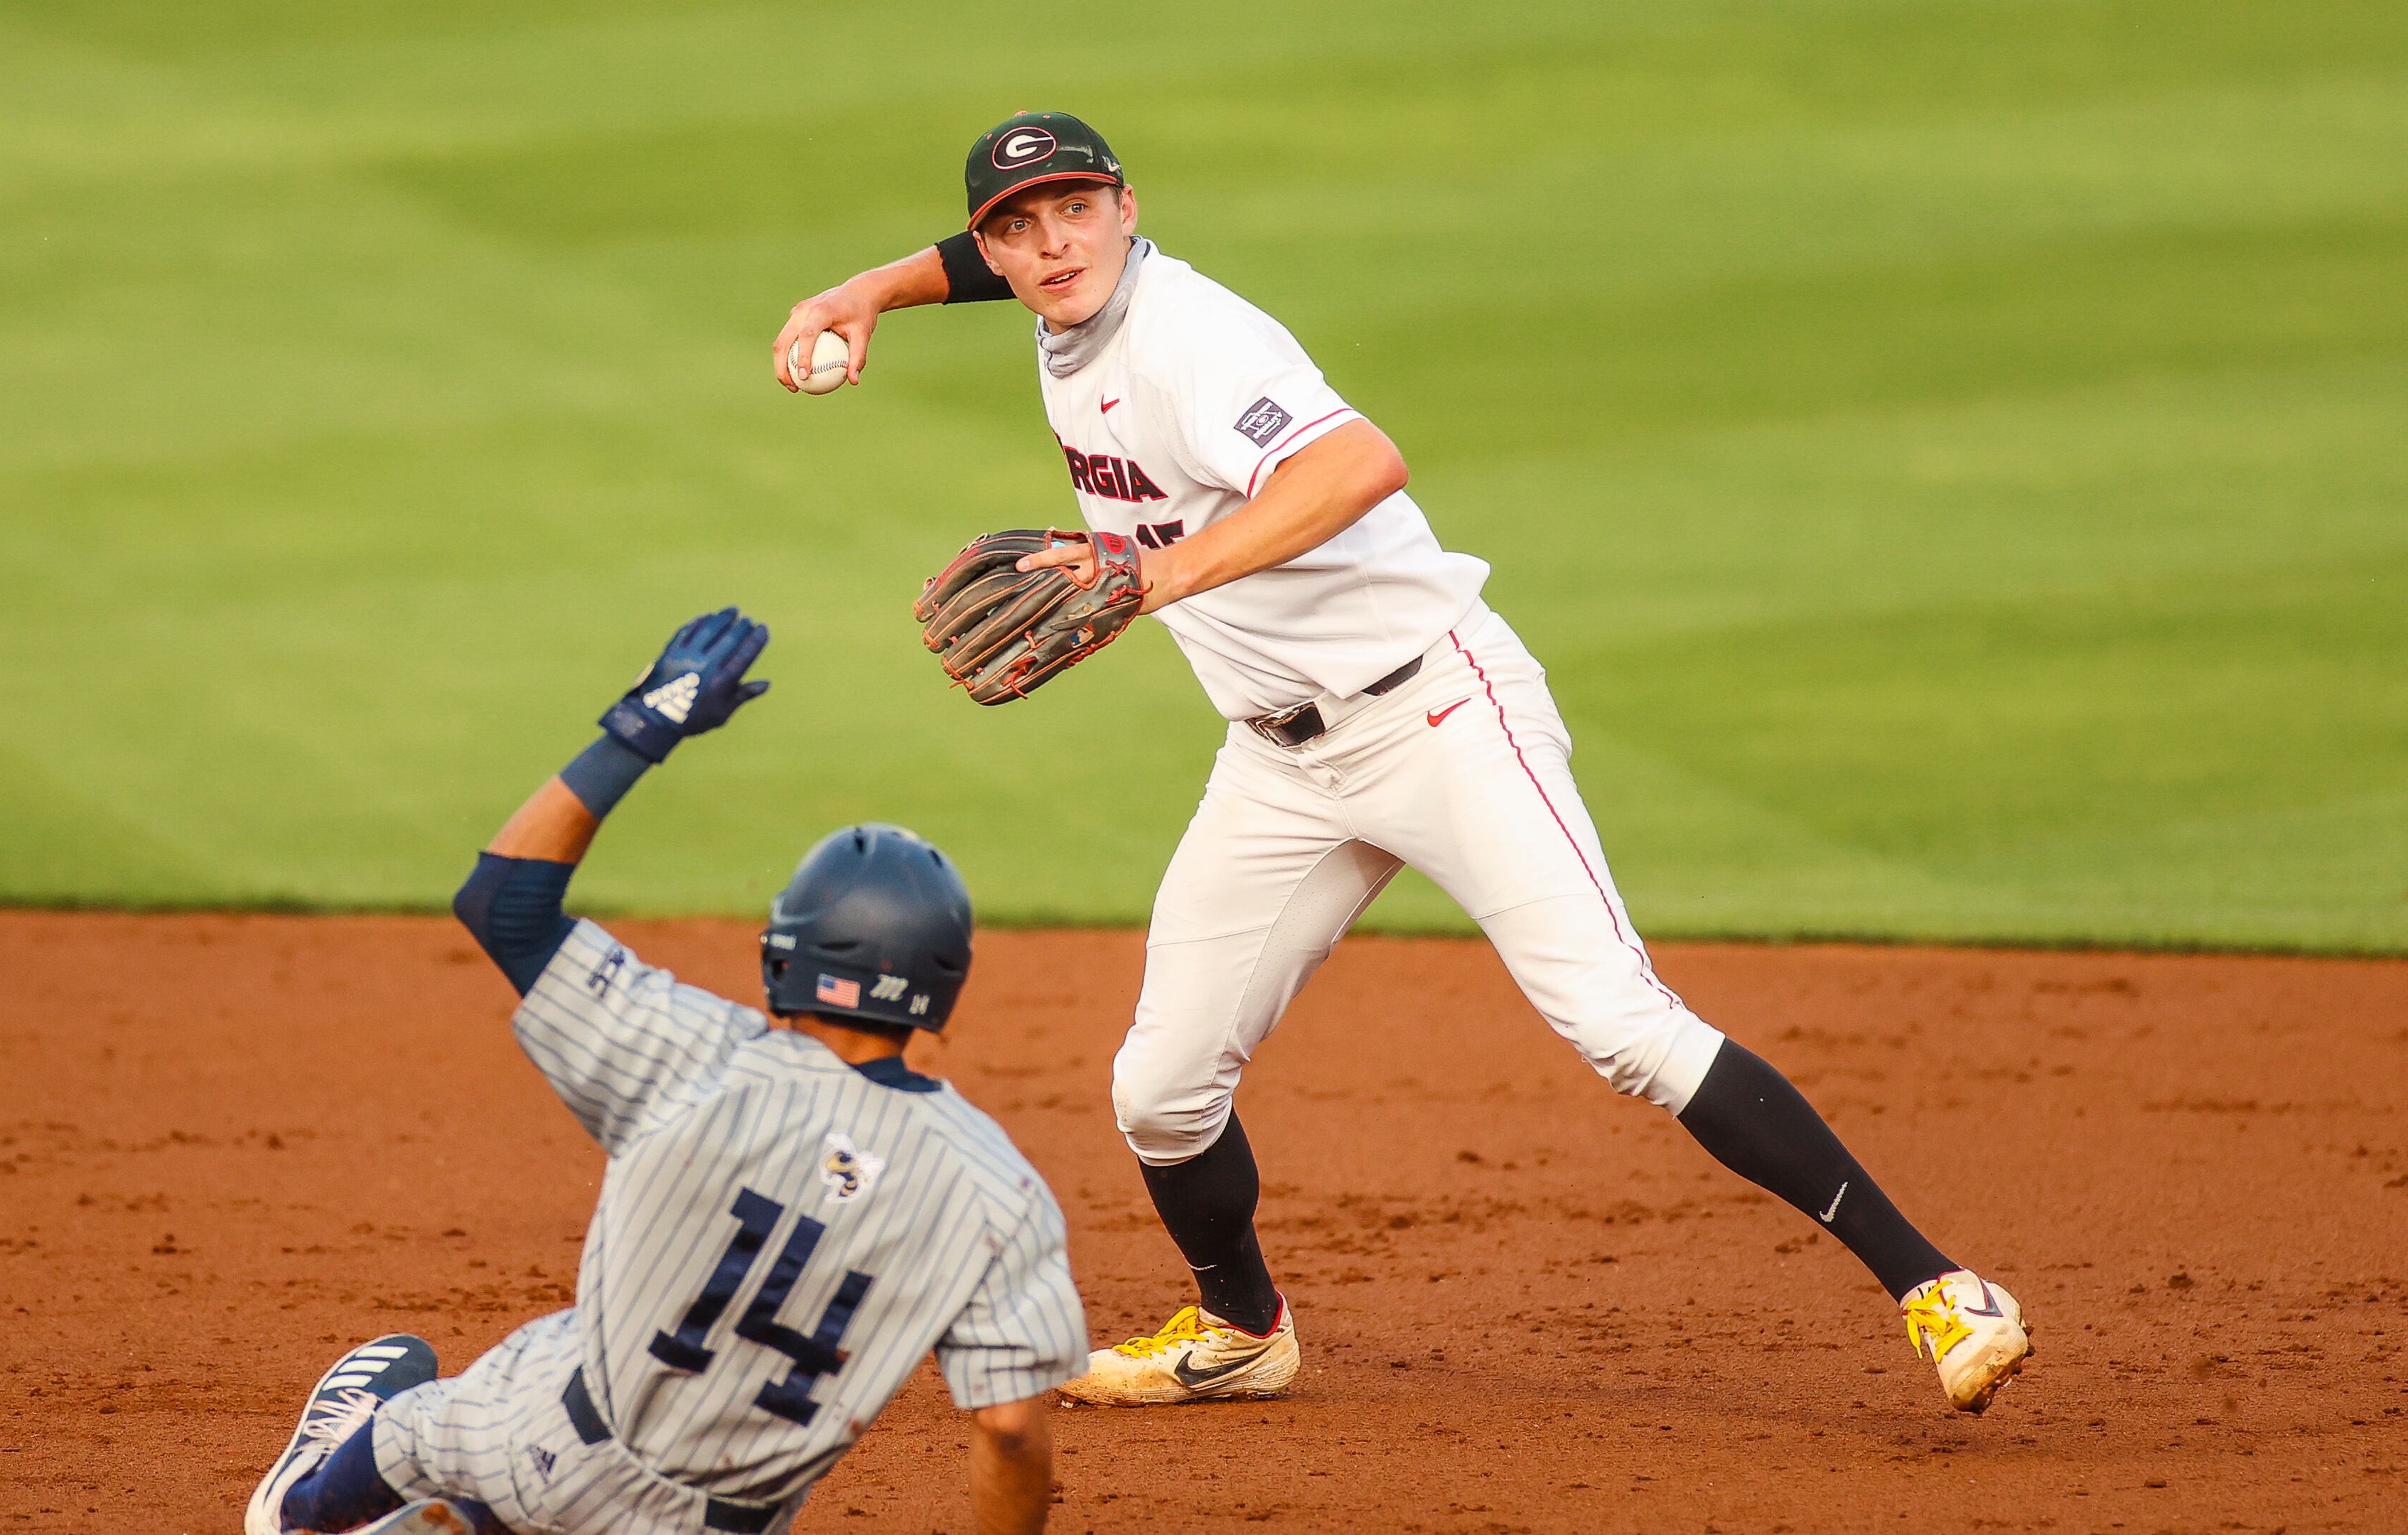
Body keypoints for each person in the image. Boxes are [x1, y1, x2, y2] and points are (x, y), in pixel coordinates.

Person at [770, 113, 2031, 1414]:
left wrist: (1160, 573)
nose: (1052, 245)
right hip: (1278, 760)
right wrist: (868, 291)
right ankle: (1244, 1326)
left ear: (1129, 208)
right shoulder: (1064, 293)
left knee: (1620, 1026)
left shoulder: (1196, 340)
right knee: (1158, 1090)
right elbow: (1003, 268)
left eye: (1077, 211)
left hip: (1437, 712)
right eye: (1018, 227)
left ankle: (1940, 1288)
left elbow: (1360, 463)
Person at [244, 608, 1088, 1535]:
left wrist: (643, 725)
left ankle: (308, 1509)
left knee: (424, 1424)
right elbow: (1009, 1429)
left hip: (541, 1446)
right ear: (941, 990)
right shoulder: (998, 1190)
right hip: (715, 1527)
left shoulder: (697, 1056)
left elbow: (503, 904)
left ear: (783, 957)